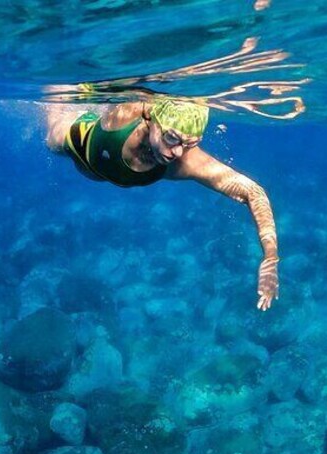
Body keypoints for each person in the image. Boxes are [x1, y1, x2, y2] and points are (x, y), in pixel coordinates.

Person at [45, 95, 280, 311]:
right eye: (171, 138)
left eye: (189, 143)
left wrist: (271, 256)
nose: (177, 152)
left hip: (102, 167)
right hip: (82, 143)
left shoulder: (185, 162)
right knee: (51, 140)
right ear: (151, 120)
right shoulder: (130, 113)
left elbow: (253, 192)